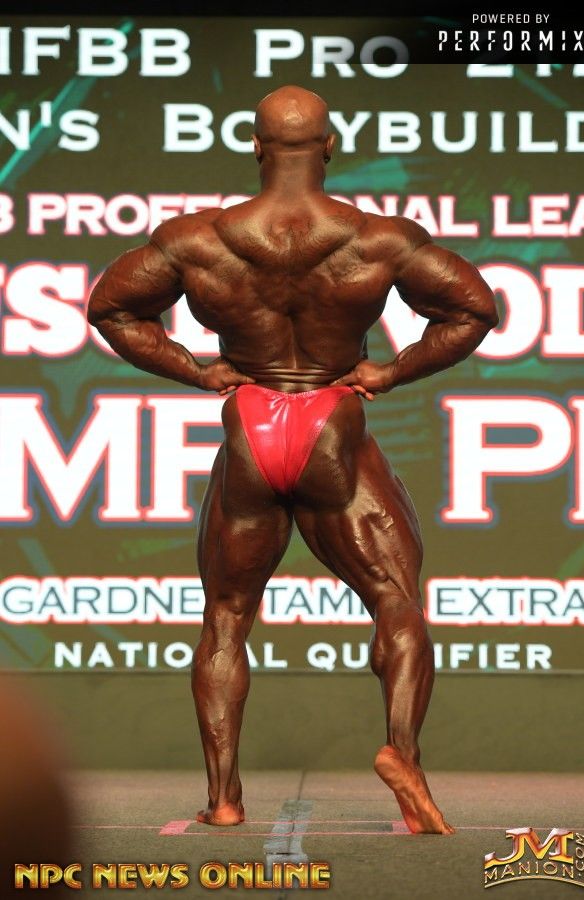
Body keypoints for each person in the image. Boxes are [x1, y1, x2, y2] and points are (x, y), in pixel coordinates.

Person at [87, 85, 498, 835]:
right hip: (331, 421)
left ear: (255, 145)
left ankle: (223, 799)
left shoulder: (196, 240)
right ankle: (403, 755)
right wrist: (389, 372)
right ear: (330, 146)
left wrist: (197, 370)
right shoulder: (378, 239)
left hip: (250, 421)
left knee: (226, 616)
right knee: (396, 600)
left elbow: (111, 307)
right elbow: (475, 308)